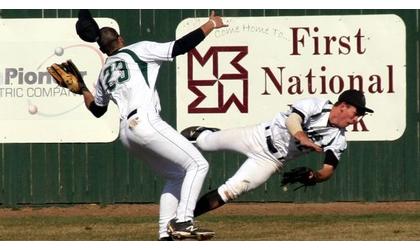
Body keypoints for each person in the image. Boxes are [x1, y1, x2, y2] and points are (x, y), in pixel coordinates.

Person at [78, 10, 227, 240]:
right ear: (120, 40)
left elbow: (98, 110)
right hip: (145, 122)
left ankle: (164, 236)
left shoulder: (104, 72)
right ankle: (184, 221)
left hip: (126, 135)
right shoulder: (138, 50)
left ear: (102, 48)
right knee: (198, 165)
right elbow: (180, 46)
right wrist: (210, 24)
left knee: (177, 175)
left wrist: (81, 89)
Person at [180, 89, 374, 217]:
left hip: (271, 160)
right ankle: (204, 133)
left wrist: (314, 176)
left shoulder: (337, 138)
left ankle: (184, 219)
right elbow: (293, 120)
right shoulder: (317, 105)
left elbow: (328, 170)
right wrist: (302, 137)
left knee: (231, 191)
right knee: (206, 143)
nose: (356, 119)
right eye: (356, 113)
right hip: (257, 135)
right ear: (343, 106)